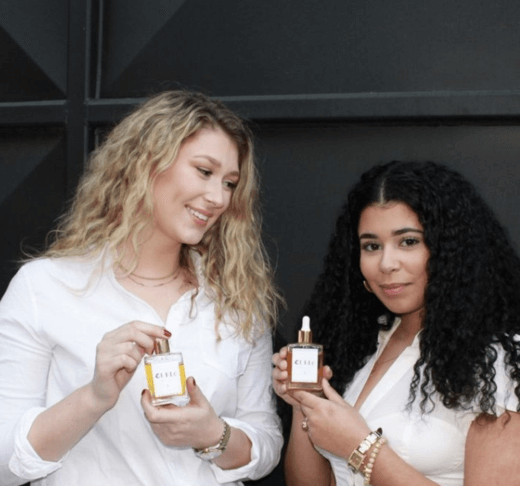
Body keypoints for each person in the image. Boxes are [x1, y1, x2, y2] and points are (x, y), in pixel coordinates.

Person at [0, 90, 283, 486]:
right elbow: (4, 463)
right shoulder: (44, 288)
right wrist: (93, 397)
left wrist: (212, 435)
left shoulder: (236, 299)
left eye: (230, 183)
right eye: (204, 171)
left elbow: (265, 442)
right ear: (146, 163)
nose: (219, 198)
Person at [273, 160, 520, 486]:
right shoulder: (361, 347)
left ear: (451, 250)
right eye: (371, 246)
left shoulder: (498, 360)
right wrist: (306, 400)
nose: (386, 263)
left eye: (408, 241)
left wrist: (359, 446)